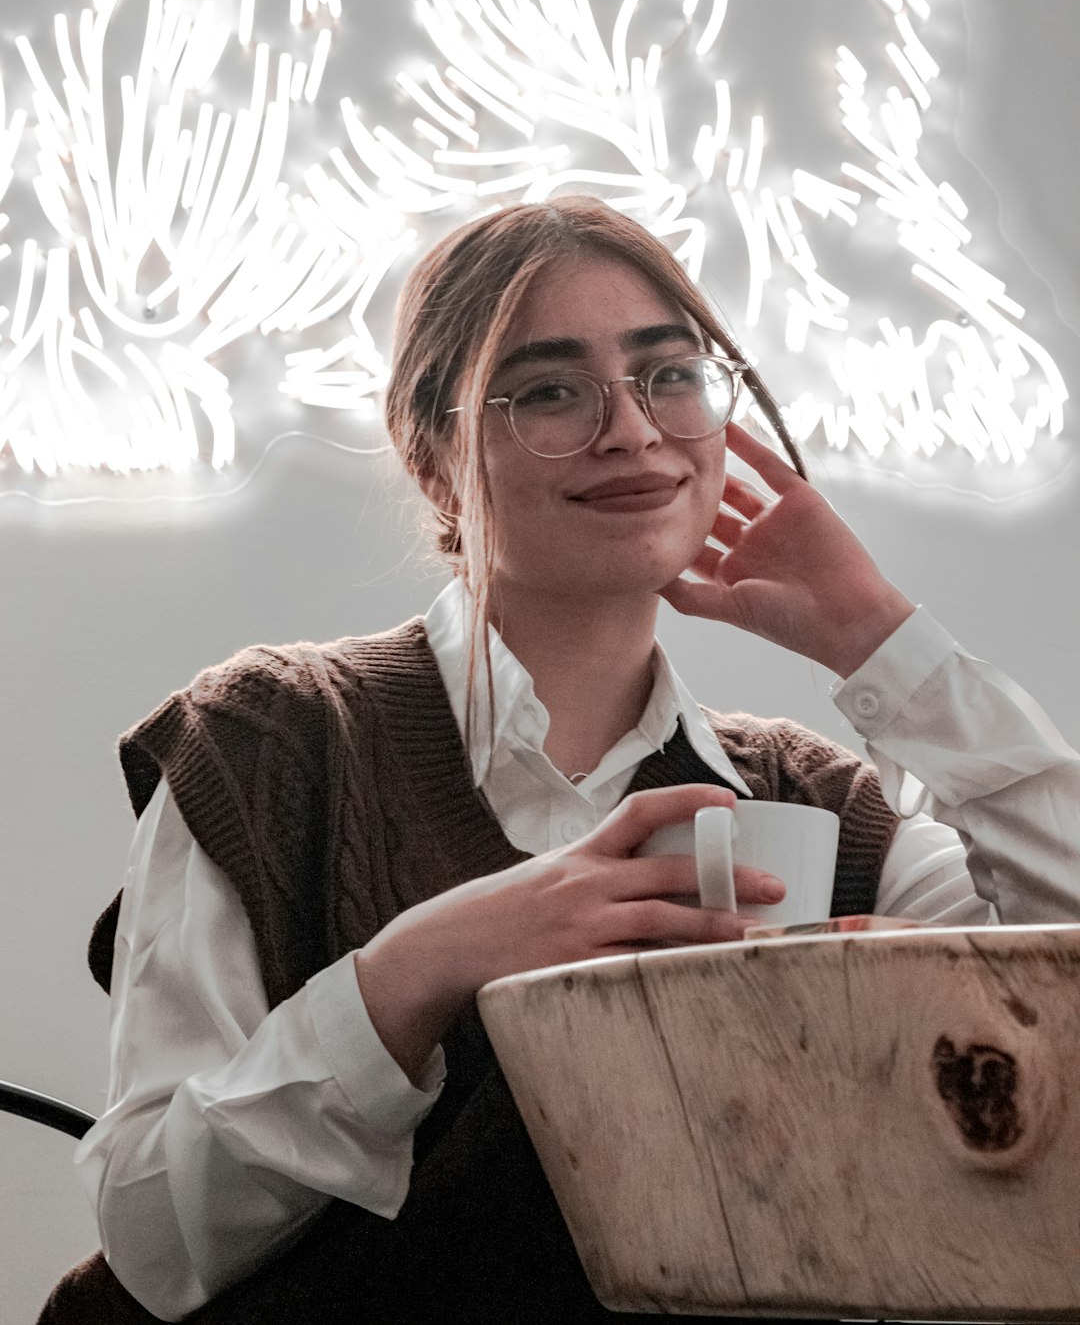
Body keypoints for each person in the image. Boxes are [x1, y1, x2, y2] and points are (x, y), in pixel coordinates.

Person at [43, 196, 1080, 1324]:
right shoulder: (275, 739)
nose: (631, 430)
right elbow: (154, 1241)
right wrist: (417, 968)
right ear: (434, 461)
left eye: (669, 376)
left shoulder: (812, 804)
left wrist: (877, 636)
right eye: (549, 391)